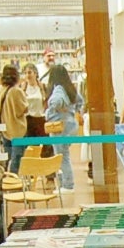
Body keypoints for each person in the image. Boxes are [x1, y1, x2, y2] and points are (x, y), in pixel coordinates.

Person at [43, 63, 80, 191]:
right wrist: (73, 111)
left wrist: (50, 111)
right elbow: (80, 101)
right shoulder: (70, 88)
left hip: (60, 126)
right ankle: (65, 184)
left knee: (62, 156)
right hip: (70, 124)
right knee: (64, 154)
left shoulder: (58, 88)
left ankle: (67, 185)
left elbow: (56, 102)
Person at [0, 63, 29, 172]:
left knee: (7, 157)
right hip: (16, 129)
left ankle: (6, 179)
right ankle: (15, 180)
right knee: (17, 158)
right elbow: (22, 109)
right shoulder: (16, 91)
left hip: (4, 129)